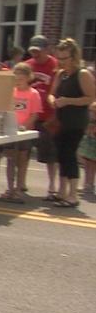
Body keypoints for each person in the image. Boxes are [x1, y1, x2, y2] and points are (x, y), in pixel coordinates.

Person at [0, 63, 42, 201]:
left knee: (17, 161)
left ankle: (14, 189)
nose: (18, 82)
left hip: (22, 132)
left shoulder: (33, 94)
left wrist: (23, 126)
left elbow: (34, 114)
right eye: (16, 79)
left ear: (28, 78)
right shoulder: (10, 91)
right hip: (6, 130)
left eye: (21, 79)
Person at [49, 38, 96, 208]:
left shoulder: (82, 74)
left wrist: (68, 101)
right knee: (61, 155)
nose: (61, 62)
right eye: (59, 58)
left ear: (74, 57)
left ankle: (73, 194)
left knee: (69, 155)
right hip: (60, 120)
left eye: (65, 58)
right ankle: (62, 191)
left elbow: (91, 98)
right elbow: (52, 93)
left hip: (76, 121)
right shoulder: (60, 74)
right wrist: (52, 100)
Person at [25, 35, 59, 198]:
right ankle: (20, 183)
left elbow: (58, 91)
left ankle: (52, 186)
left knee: (50, 153)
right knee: (23, 151)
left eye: (38, 51)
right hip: (29, 115)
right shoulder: (27, 66)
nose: (35, 55)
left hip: (48, 116)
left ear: (47, 49)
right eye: (32, 51)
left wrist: (55, 117)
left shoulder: (55, 66)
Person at [78, 101, 96, 195]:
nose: (91, 114)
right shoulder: (89, 122)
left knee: (92, 164)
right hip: (88, 141)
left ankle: (90, 184)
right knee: (86, 164)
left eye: (93, 112)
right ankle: (86, 183)